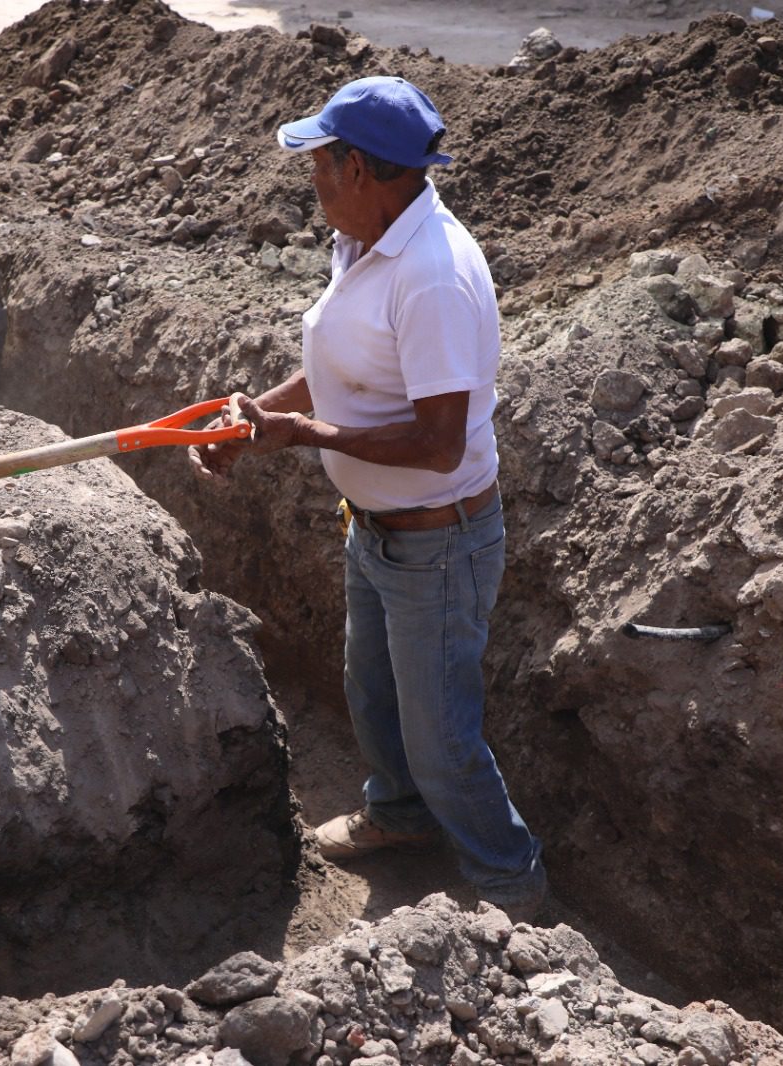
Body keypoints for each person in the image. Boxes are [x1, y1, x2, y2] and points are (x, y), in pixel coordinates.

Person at [188, 75, 547, 918]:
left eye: (318, 166)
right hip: (378, 531)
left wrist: (304, 438)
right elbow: (341, 368)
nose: (310, 184)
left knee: (443, 742)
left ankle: (515, 893)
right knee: (371, 694)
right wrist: (258, 415)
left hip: (439, 542)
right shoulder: (365, 243)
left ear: (361, 169)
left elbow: (437, 442)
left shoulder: (432, 277)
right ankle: (401, 819)